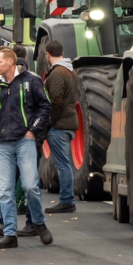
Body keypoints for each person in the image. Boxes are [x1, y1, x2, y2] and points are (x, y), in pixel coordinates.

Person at [0, 47, 53, 249]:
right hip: (3, 141)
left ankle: (38, 222)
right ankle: (10, 233)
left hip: (24, 140)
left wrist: (33, 130)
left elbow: (45, 106)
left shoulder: (31, 80)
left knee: (30, 186)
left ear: (11, 62)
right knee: (5, 190)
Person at [42, 40, 80, 213]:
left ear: (47, 54)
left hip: (60, 124)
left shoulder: (57, 73)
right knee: (65, 163)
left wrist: (50, 121)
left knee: (63, 164)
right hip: (68, 122)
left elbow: (56, 100)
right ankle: (67, 199)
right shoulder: (71, 71)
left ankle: (66, 200)